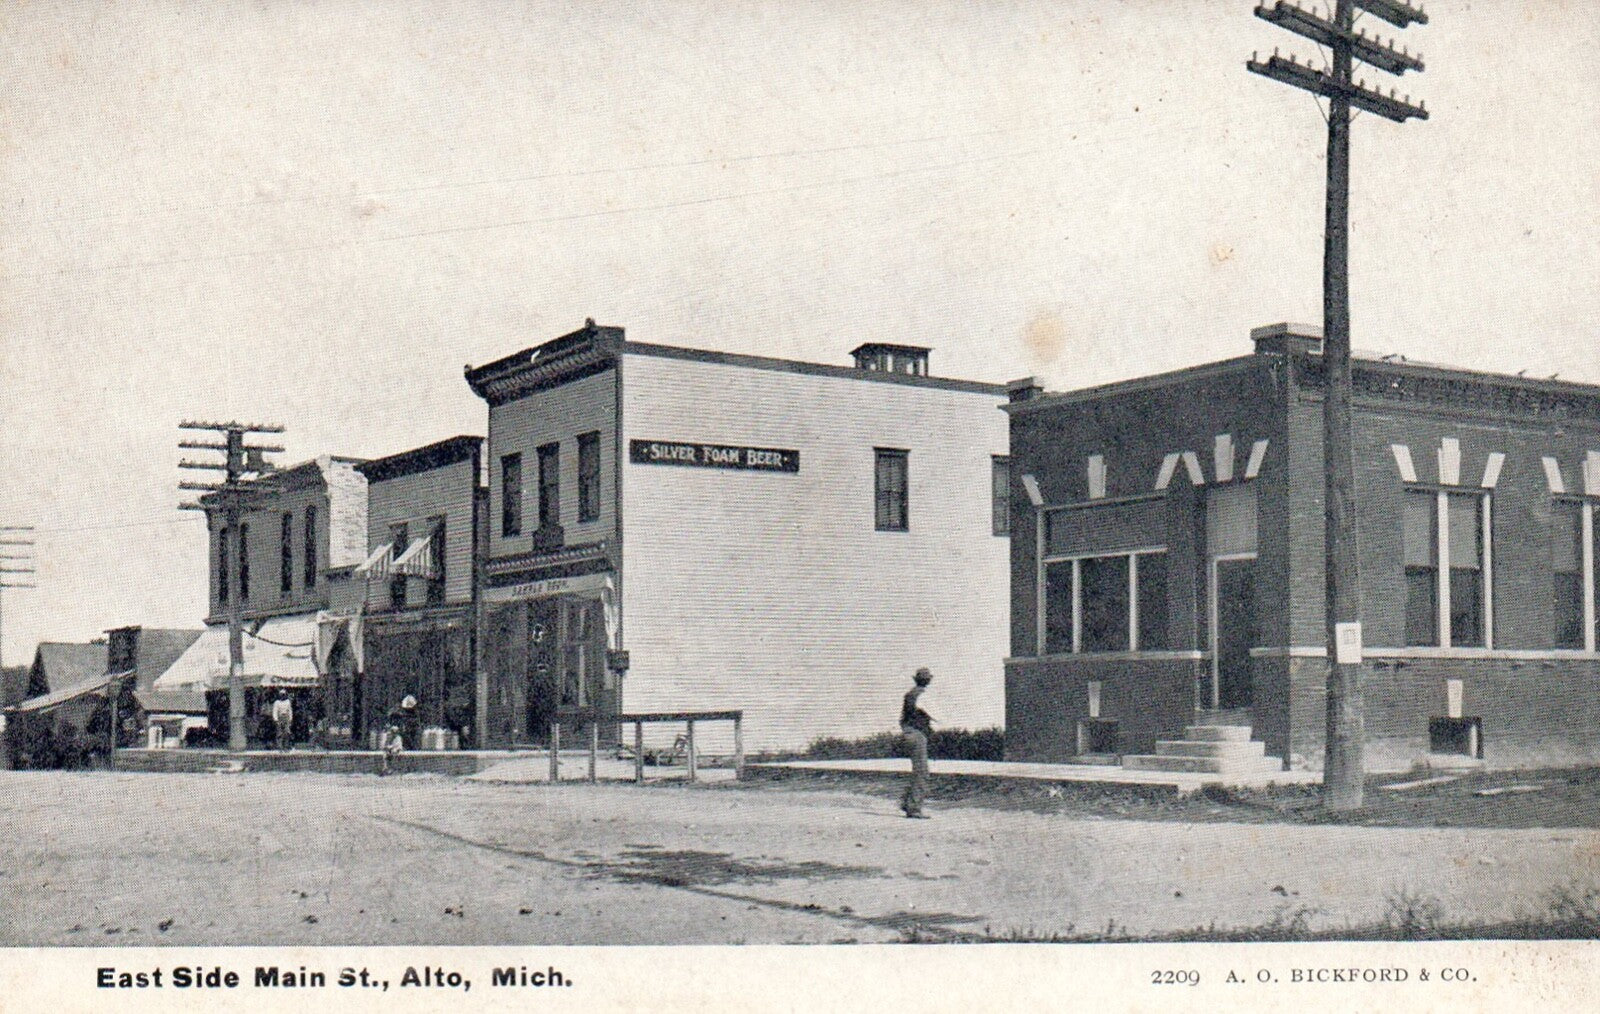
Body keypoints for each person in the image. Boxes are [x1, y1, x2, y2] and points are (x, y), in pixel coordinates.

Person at [899, 668, 935, 818]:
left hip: (908, 733)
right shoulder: (922, 696)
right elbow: (934, 714)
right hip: (917, 734)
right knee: (922, 772)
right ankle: (914, 808)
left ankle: (908, 803)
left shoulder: (910, 694)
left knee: (919, 770)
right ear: (928, 680)